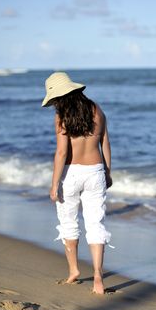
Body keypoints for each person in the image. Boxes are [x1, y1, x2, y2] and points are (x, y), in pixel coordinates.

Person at [42, 72, 113, 294]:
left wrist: (54, 184)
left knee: (68, 223)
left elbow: (62, 152)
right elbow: (105, 144)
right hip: (95, 171)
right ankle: (98, 278)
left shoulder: (62, 116)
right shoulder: (96, 110)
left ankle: (73, 271)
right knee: (95, 224)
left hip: (71, 174)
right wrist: (107, 173)